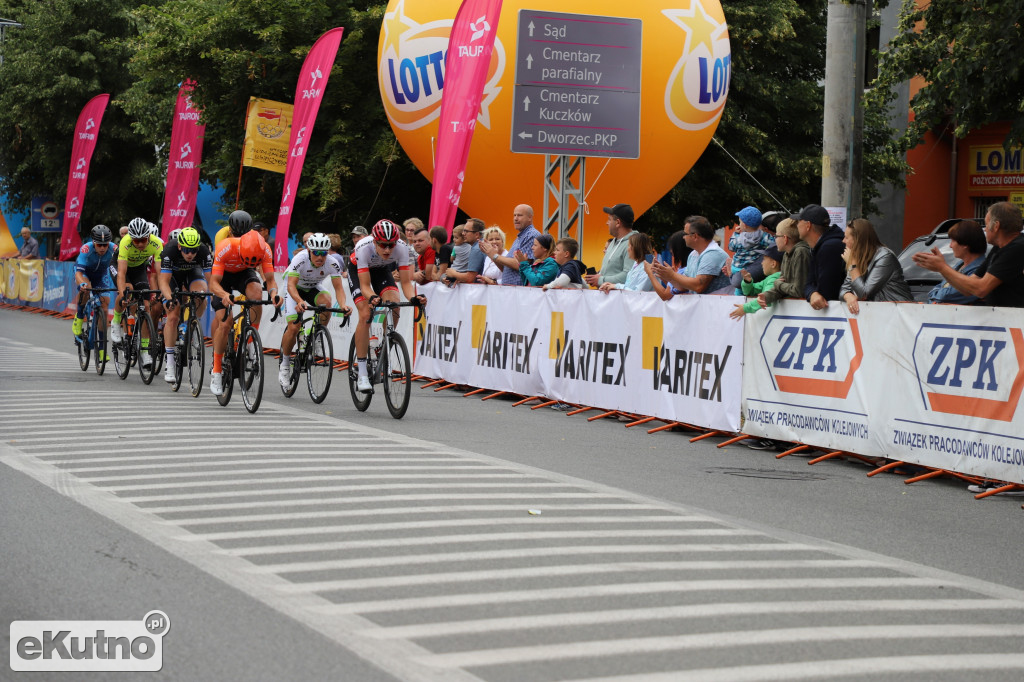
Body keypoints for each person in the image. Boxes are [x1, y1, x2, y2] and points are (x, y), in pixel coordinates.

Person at [348, 219, 426, 392]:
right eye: (383, 245)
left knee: (394, 304)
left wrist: (414, 298)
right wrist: (373, 297)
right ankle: (361, 373)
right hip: (360, 272)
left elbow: (406, 283)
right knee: (365, 314)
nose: (387, 250)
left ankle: (384, 344)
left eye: (390, 245)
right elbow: (365, 286)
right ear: (375, 241)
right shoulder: (363, 247)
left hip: (381, 270)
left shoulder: (402, 247)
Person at [208, 227, 282, 396]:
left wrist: (274, 293)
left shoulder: (265, 249)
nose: (252, 263)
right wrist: (225, 295)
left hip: (244, 274)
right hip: (223, 277)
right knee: (225, 323)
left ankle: (250, 341)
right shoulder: (226, 246)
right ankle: (217, 370)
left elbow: (270, 280)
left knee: (256, 294)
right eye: (248, 260)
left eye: (254, 262)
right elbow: (213, 283)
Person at [914, 201, 1024, 308]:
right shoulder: (999, 248)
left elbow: (981, 289)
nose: (985, 229)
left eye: (986, 224)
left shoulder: (1017, 248)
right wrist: (941, 268)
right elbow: (969, 289)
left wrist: (942, 267)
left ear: (996, 226)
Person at [279, 233, 350, 388]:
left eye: (324, 253)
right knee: (294, 327)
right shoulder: (300, 259)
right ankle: (284, 364)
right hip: (294, 289)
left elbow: (339, 289)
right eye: (316, 252)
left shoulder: (332, 263)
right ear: (309, 250)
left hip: (312, 287)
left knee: (326, 302)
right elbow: (291, 285)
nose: (320, 257)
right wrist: (299, 301)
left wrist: (343, 305)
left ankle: (317, 335)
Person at [157, 227, 213, 382]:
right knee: (173, 315)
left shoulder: (203, 251)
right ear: (180, 246)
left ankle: (191, 325)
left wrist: (218, 295)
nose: (190, 254)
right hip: (173, 277)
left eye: (194, 251)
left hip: (192, 273)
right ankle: (169, 363)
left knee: (201, 294)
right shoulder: (170, 250)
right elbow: (163, 281)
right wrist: (169, 299)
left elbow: (211, 280)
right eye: (187, 250)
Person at [109, 218, 164, 371]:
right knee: (127, 288)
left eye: (143, 240)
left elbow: (160, 272)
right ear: (131, 238)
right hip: (120, 267)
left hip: (139, 268)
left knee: (146, 307)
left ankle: (145, 351)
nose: (140, 244)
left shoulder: (156, 244)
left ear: (149, 237)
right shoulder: (125, 242)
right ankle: (116, 321)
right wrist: (123, 295)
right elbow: (121, 273)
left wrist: (163, 291)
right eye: (136, 241)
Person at [839, 218, 912, 314]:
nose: (843, 241)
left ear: (857, 239)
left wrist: (853, 266)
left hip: (901, 314)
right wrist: (849, 296)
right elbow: (844, 289)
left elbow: (864, 293)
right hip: (879, 314)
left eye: (846, 238)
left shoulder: (885, 257)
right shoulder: (856, 257)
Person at [650, 216, 731, 297]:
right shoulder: (693, 254)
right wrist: (667, 276)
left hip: (719, 306)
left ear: (695, 236)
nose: (683, 237)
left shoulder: (713, 253)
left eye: (685, 234)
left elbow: (699, 286)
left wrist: (672, 275)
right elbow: (682, 287)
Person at [794, 204, 846, 310]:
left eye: (798, 221)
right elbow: (809, 283)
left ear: (808, 225)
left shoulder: (829, 247)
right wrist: (812, 293)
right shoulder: (821, 246)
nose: (796, 225)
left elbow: (825, 293)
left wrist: (812, 292)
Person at [72, 225, 114, 348]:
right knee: (85, 290)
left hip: (101, 274)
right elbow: (79, 273)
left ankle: (101, 347)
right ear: (93, 243)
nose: (102, 248)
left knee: (105, 307)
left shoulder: (115, 249)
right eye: (99, 245)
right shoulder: (86, 249)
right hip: (85, 272)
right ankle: (79, 317)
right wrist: (82, 284)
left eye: (105, 245)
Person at [926, 220, 987, 305]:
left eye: (953, 241)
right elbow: (940, 289)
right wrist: (936, 300)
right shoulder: (959, 265)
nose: (950, 246)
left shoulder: (981, 270)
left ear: (965, 243)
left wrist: (935, 299)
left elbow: (947, 296)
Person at [758, 218, 812, 309]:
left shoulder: (801, 252)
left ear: (785, 238)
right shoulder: (786, 254)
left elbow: (798, 291)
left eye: (776, 236)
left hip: (804, 310)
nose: (775, 240)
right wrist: (766, 297)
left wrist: (777, 284)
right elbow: (782, 286)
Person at [483, 204, 542, 286]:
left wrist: (495, 256)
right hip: (511, 290)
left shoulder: (531, 235)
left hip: (519, 291)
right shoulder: (520, 236)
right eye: (514, 215)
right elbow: (505, 268)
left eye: (519, 215)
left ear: (530, 217)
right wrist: (492, 255)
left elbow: (522, 265)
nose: (515, 219)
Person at [584, 204, 637, 288]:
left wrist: (601, 280)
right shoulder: (614, 241)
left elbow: (628, 275)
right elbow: (612, 271)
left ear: (618, 223)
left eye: (609, 219)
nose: (606, 223)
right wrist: (597, 276)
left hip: (619, 299)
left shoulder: (633, 243)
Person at [730, 244, 783, 319]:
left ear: (773, 264)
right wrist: (747, 282)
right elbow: (751, 291)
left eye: (764, 259)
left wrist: (745, 308)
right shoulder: (770, 278)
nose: (761, 263)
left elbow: (765, 298)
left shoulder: (774, 279)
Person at [729, 206, 773, 291]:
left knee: (738, 290)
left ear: (744, 225)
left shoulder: (738, 239)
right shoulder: (765, 237)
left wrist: (735, 234)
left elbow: (731, 247)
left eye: (740, 222)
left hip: (737, 268)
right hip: (754, 267)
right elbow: (773, 244)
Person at [445, 219, 487, 284]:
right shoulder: (481, 245)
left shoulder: (476, 249)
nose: (463, 233)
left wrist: (454, 273)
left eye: (466, 231)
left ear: (477, 234)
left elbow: (470, 278)